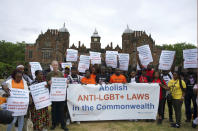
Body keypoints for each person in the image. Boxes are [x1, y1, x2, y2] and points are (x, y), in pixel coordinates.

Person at [46, 60, 68, 131]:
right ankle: (54, 124)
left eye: (56, 65)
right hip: (53, 95)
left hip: (60, 95)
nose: (55, 66)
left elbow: (63, 83)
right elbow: (46, 84)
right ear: (51, 66)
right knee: (54, 110)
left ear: (58, 66)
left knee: (61, 110)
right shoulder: (49, 74)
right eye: (54, 65)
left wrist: (66, 82)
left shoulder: (61, 73)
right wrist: (48, 83)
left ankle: (63, 125)